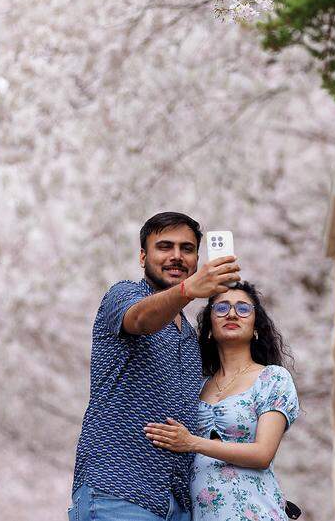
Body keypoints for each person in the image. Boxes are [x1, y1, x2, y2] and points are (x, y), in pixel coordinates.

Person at [69, 212, 241, 521]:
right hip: (118, 492)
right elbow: (140, 320)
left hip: (177, 502)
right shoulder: (123, 295)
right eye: (165, 247)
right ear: (142, 256)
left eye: (187, 249)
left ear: (197, 259)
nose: (176, 256)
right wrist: (188, 291)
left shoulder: (190, 335)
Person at [143, 281, 300, 521]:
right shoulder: (196, 386)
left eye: (243, 308)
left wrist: (192, 442)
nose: (233, 314)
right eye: (222, 308)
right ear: (209, 327)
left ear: (256, 327)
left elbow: (263, 453)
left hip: (255, 512)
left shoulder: (272, 378)